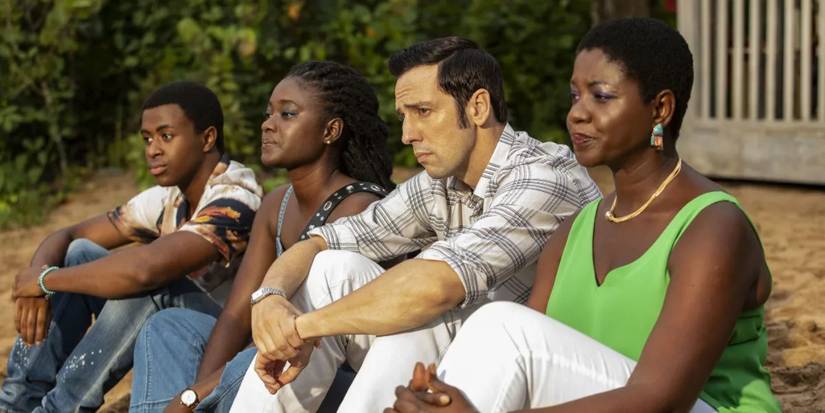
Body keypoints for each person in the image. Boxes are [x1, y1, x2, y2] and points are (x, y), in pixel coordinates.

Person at [385, 18, 781, 413]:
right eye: (575, 96)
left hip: (689, 407)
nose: (577, 114)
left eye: (601, 97)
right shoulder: (576, 229)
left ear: (660, 108)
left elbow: (662, 399)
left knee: (497, 323)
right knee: (411, 337)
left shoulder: (714, 228)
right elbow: (533, 362)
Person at [230, 37, 601, 412]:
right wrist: (270, 299)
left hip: (554, 382)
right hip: (461, 365)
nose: (407, 135)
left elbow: (435, 286)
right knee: (332, 268)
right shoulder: (442, 182)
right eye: (403, 116)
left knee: (424, 316)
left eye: (423, 111)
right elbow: (320, 242)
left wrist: (301, 329)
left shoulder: (542, 178)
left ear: (478, 106)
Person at [128, 60, 396, 413]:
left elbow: (305, 336)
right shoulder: (276, 204)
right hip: (272, 364)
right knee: (169, 326)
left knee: (265, 353)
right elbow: (238, 315)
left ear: (330, 130)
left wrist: (193, 397)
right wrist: (199, 395)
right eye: (269, 113)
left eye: (287, 114)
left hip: (328, 379)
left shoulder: (358, 207)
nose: (268, 125)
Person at [0, 81, 263, 413]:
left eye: (166, 136)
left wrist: (44, 280)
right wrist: (35, 279)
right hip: (172, 325)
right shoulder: (171, 197)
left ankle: (59, 408)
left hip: (225, 344)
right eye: (147, 139)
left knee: (151, 281)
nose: (152, 149)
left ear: (207, 138)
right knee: (80, 253)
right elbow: (68, 235)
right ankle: (15, 402)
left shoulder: (237, 194)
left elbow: (145, 271)